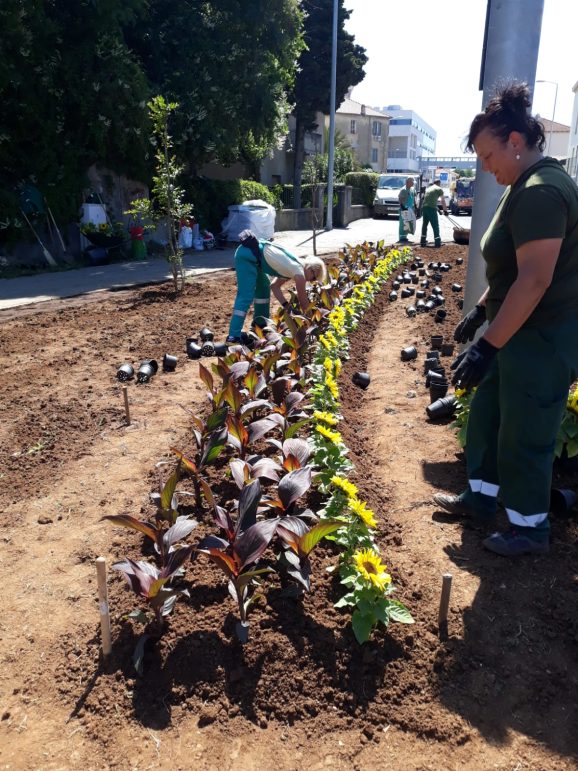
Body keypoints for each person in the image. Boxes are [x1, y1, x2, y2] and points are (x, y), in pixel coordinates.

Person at [433, 82, 578, 558]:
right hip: (512, 330)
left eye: (488, 154)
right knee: (489, 415)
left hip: (540, 339)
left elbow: (535, 281)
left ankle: (529, 529)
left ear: (516, 142)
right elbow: (512, 270)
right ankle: (480, 498)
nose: (485, 166)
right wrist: (480, 312)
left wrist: (488, 345)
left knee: (525, 434)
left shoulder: (541, 192)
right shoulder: (522, 188)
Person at [226, 230, 327, 343]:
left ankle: (259, 326)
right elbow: (304, 304)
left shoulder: (294, 267)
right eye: (313, 278)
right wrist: (312, 322)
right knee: (245, 295)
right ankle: (233, 337)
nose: (310, 281)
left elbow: (274, 286)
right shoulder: (299, 273)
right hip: (247, 255)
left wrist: (287, 306)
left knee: (264, 288)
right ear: (312, 270)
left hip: (255, 257)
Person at [420, 179, 448, 247]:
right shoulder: (439, 189)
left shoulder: (429, 189)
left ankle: (423, 241)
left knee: (425, 224)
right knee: (435, 225)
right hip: (431, 209)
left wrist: (438, 210)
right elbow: (443, 201)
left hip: (424, 207)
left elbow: (430, 200)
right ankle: (437, 242)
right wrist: (445, 211)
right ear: (439, 183)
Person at [398, 177, 416, 243]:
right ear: (408, 182)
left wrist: (415, 206)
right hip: (404, 208)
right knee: (403, 223)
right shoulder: (403, 190)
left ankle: (405, 236)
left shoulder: (412, 189)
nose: (413, 183)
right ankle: (401, 237)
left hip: (410, 208)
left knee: (408, 223)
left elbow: (413, 197)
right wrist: (402, 207)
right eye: (412, 182)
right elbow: (400, 199)